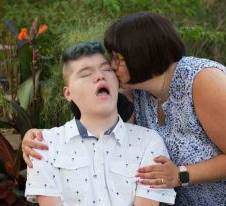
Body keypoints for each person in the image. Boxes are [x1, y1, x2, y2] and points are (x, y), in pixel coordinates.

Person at [22, 12, 226, 205]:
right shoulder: (140, 93)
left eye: (116, 58)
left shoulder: (203, 81)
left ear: (140, 53)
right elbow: (97, 121)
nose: (110, 67)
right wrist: (37, 138)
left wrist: (181, 175)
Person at [25, 41, 176, 206]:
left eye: (106, 69)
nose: (100, 76)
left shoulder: (149, 142)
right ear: (68, 93)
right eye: (85, 74)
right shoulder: (44, 145)